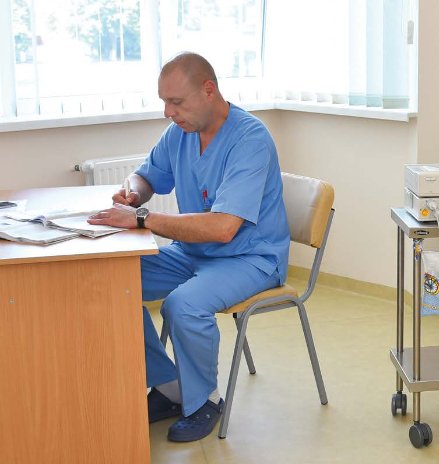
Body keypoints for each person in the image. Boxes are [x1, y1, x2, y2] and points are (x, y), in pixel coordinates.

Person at [88, 52, 290, 442]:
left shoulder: (250, 139)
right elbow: (147, 175)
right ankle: (169, 388)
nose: (169, 112)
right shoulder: (181, 132)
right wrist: (134, 193)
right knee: (112, 279)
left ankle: (205, 402)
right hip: (194, 253)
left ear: (208, 90)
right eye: (165, 102)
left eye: (176, 102)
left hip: (251, 258)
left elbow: (224, 228)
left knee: (183, 305)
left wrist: (141, 218)